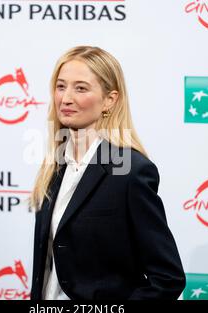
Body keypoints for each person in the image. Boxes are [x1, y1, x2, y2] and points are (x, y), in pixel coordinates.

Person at [29, 46, 185, 300]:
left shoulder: (131, 171)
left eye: (80, 88)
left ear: (109, 100)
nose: (66, 98)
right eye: (61, 86)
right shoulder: (53, 167)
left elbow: (168, 279)